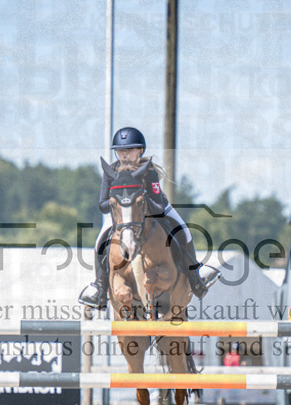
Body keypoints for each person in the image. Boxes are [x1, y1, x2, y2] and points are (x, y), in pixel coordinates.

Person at [79, 126, 220, 308]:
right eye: (121, 150)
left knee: (183, 230)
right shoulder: (111, 172)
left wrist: (142, 204)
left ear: (140, 151)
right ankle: (99, 288)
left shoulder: (149, 171)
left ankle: (196, 276)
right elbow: (102, 205)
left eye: (129, 150)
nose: (124, 155)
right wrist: (118, 204)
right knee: (100, 242)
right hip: (122, 215)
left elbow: (159, 206)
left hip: (155, 209)